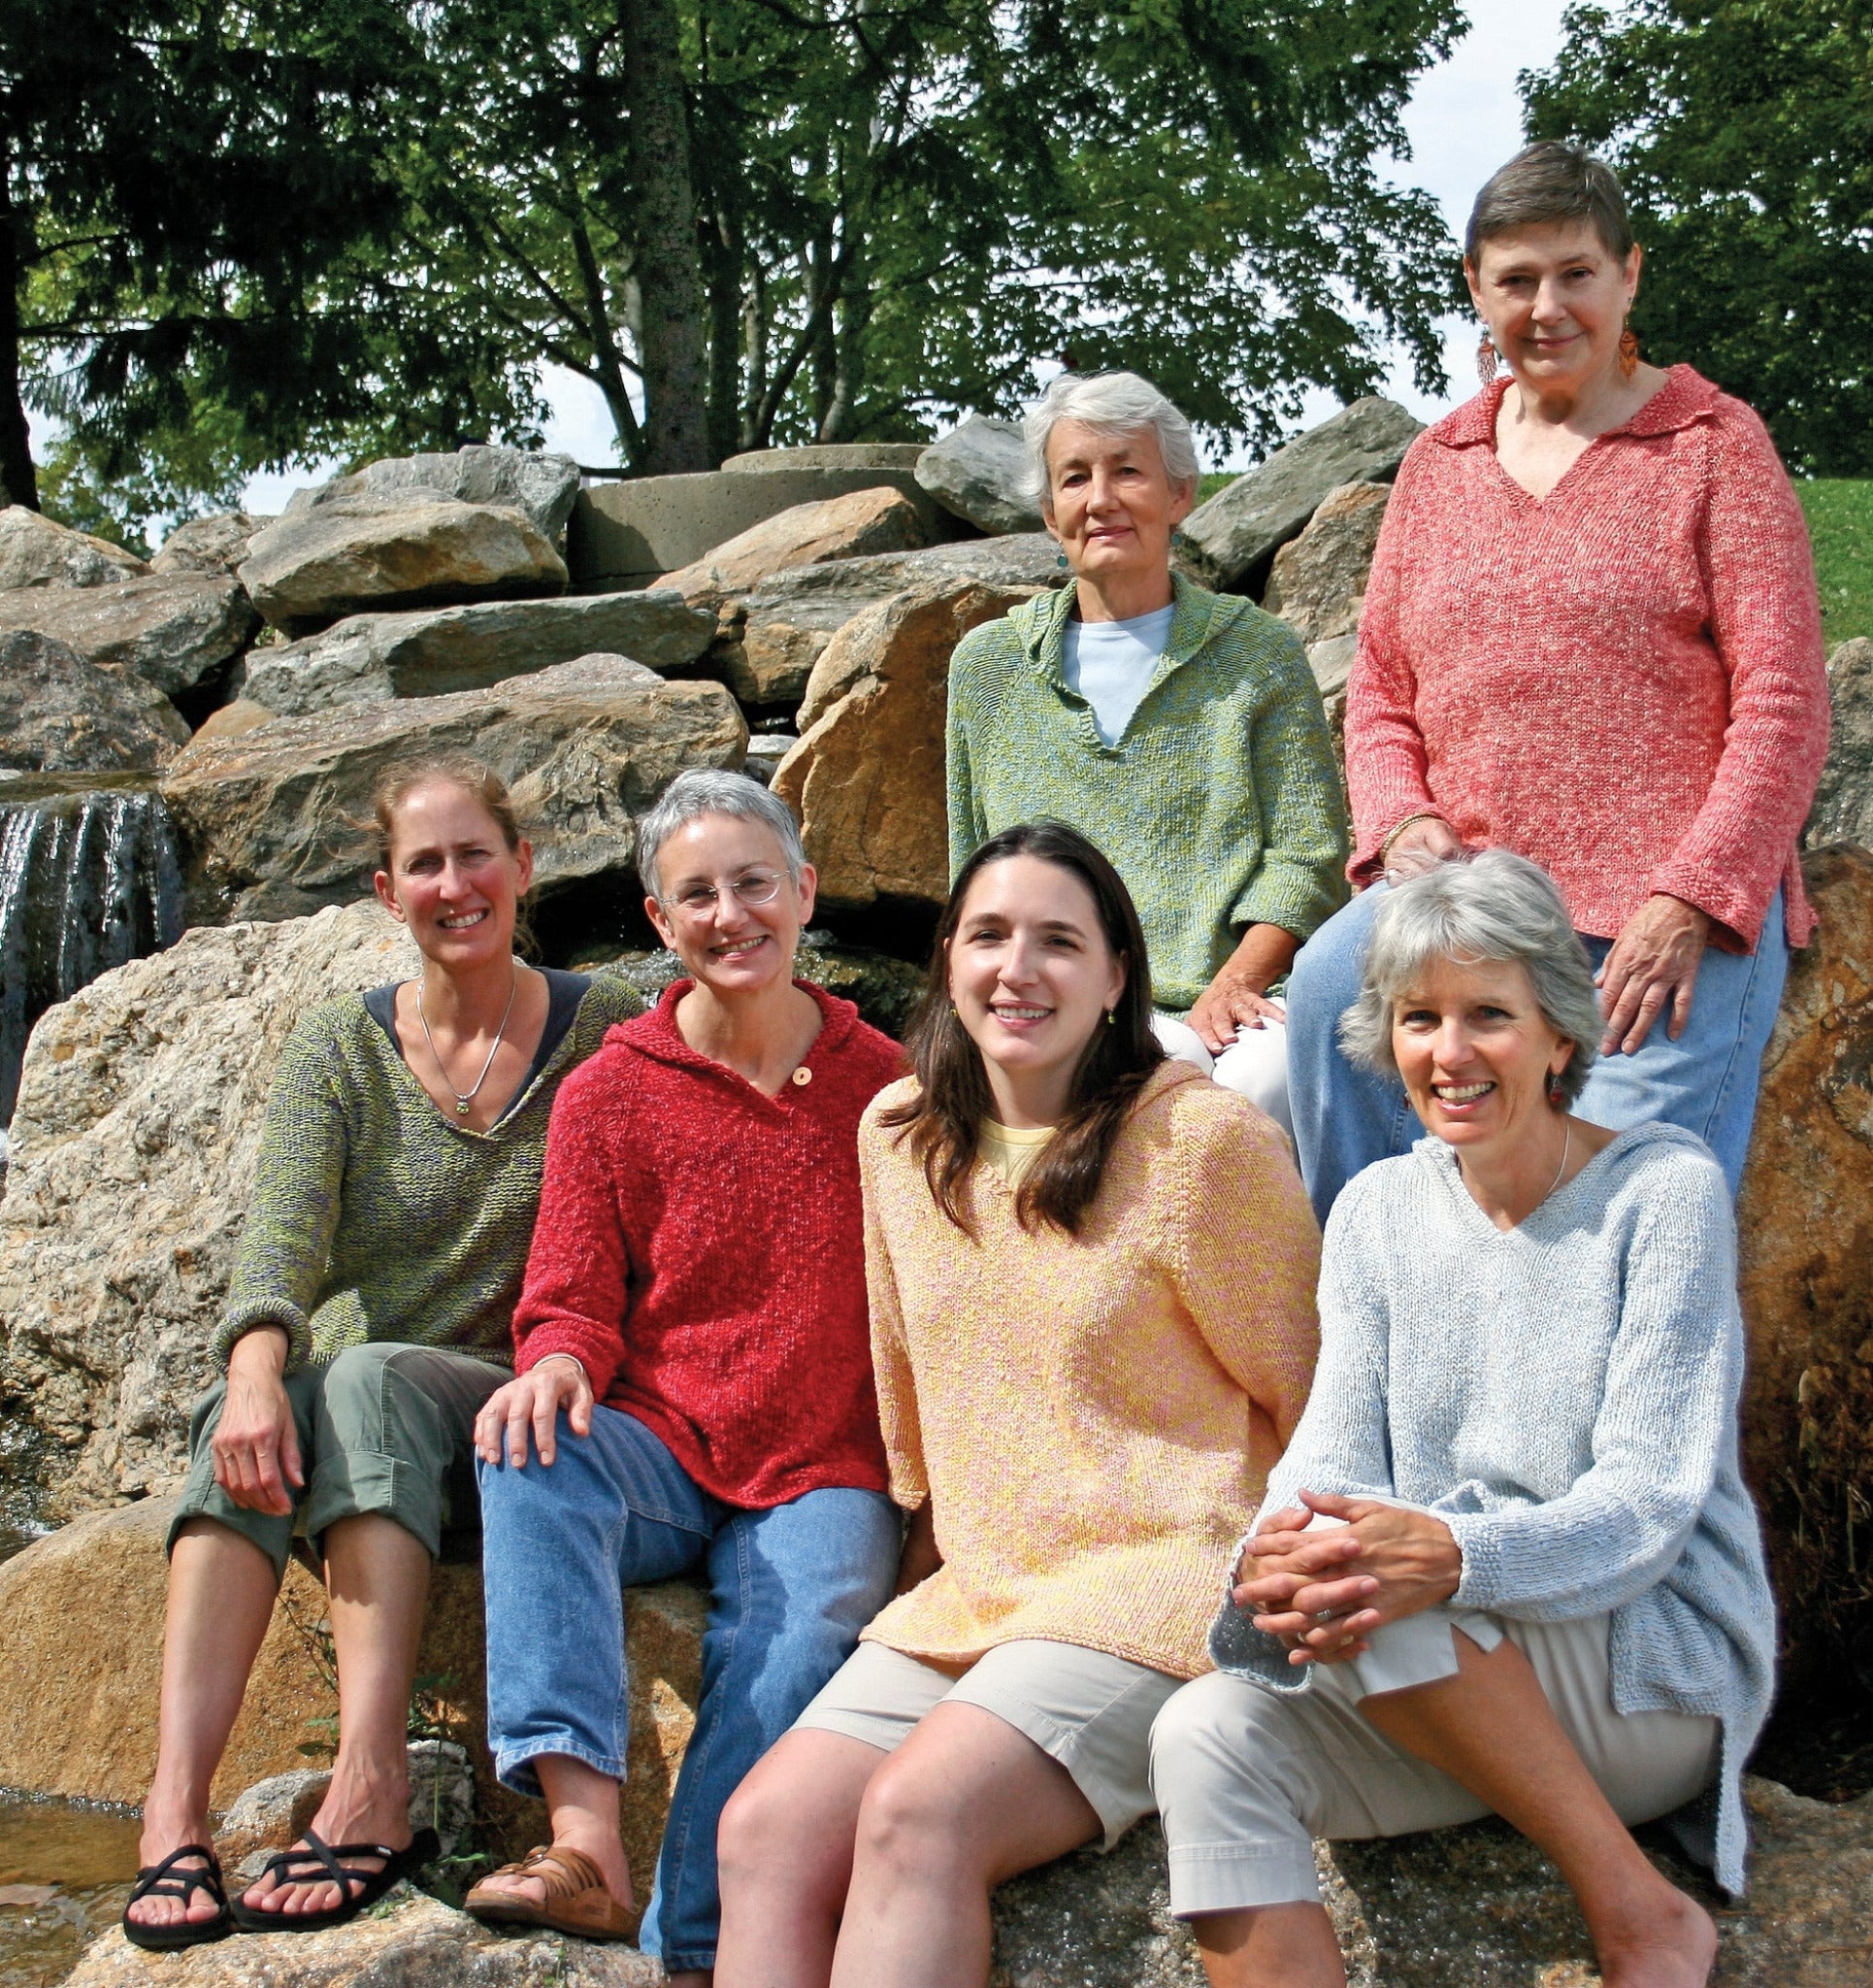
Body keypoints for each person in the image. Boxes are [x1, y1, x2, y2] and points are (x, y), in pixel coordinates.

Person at [712, 820, 1322, 1988]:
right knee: (767, 1831)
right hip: (985, 1580)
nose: (1017, 967)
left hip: (1162, 1572)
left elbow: (1314, 1392)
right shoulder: (896, 1138)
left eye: (1058, 941)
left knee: (917, 1814)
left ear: (1113, 982)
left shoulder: (1201, 1143)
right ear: (946, 959)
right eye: (988, 934)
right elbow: (909, 1373)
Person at [1149, 850, 1774, 1988]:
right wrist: (1279, 1551)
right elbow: (1328, 1455)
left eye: (1489, 1012)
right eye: (1418, 1017)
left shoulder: (1661, 1194)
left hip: (1644, 1660)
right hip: (1443, 1651)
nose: (1449, 1051)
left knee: (1380, 1588)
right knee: (1201, 1735)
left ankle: (1640, 1911)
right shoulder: (1378, 1209)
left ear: (1558, 1033)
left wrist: (1446, 1552)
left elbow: (1648, 1507)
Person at [122, 758, 641, 1950]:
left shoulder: (607, 1026)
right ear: (385, 888)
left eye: (475, 855)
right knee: (247, 1403)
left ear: (523, 865)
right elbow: (281, 1241)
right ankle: (173, 1810)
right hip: (368, 1425)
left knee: (359, 1376)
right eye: (425, 864)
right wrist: (251, 1367)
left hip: (522, 1408)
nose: (454, 884)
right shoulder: (339, 1051)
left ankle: (371, 1782)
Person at [1286, 140, 1829, 1223]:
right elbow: (1382, 689)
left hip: (1661, 897)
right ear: (1475, 290)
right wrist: (1398, 825)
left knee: (1617, 1207)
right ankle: (1383, 1309)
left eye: (1575, 272)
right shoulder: (1439, 463)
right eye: (1516, 279)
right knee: (1321, 995)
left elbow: (1783, 704)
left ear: (1628, 274)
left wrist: (1693, 898)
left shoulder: (1715, 446)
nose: (1546, 305)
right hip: (1469, 889)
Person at [464, 769, 904, 1980]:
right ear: (658, 921)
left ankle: (696, 1940)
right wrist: (553, 1362)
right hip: (662, 1442)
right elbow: (567, 1292)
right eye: (696, 894)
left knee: (806, 1616)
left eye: (753, 883)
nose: (730, 914)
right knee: (523, 1450)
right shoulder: (610, 1090)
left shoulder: (891, 1092)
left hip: (825, 1460)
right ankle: (585, 1843)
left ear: (803, 891)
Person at [945, 371, 1348, 1137]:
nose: (1101, 499)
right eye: (1075, 478)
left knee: (1260, 1083)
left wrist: (1233, 985)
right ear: (1048, 511)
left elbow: (1307, 855)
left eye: (1127, 471)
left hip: (1233, 998)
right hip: (1053, 993)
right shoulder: (988, 668)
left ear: (1179, 495)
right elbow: (974, 868)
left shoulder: (1257, 652)